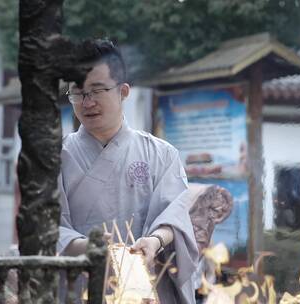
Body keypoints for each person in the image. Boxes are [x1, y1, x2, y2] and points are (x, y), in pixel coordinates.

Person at [57, 39, 198, 303]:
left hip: (144, 288)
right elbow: (50, 229)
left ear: (123, 91)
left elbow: (175, 217)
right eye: (78, 93)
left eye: (97, 91)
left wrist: (154, 241)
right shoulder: (56, 158)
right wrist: (95, 250)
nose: (87, 103)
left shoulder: (161, 154)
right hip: (81, 288)